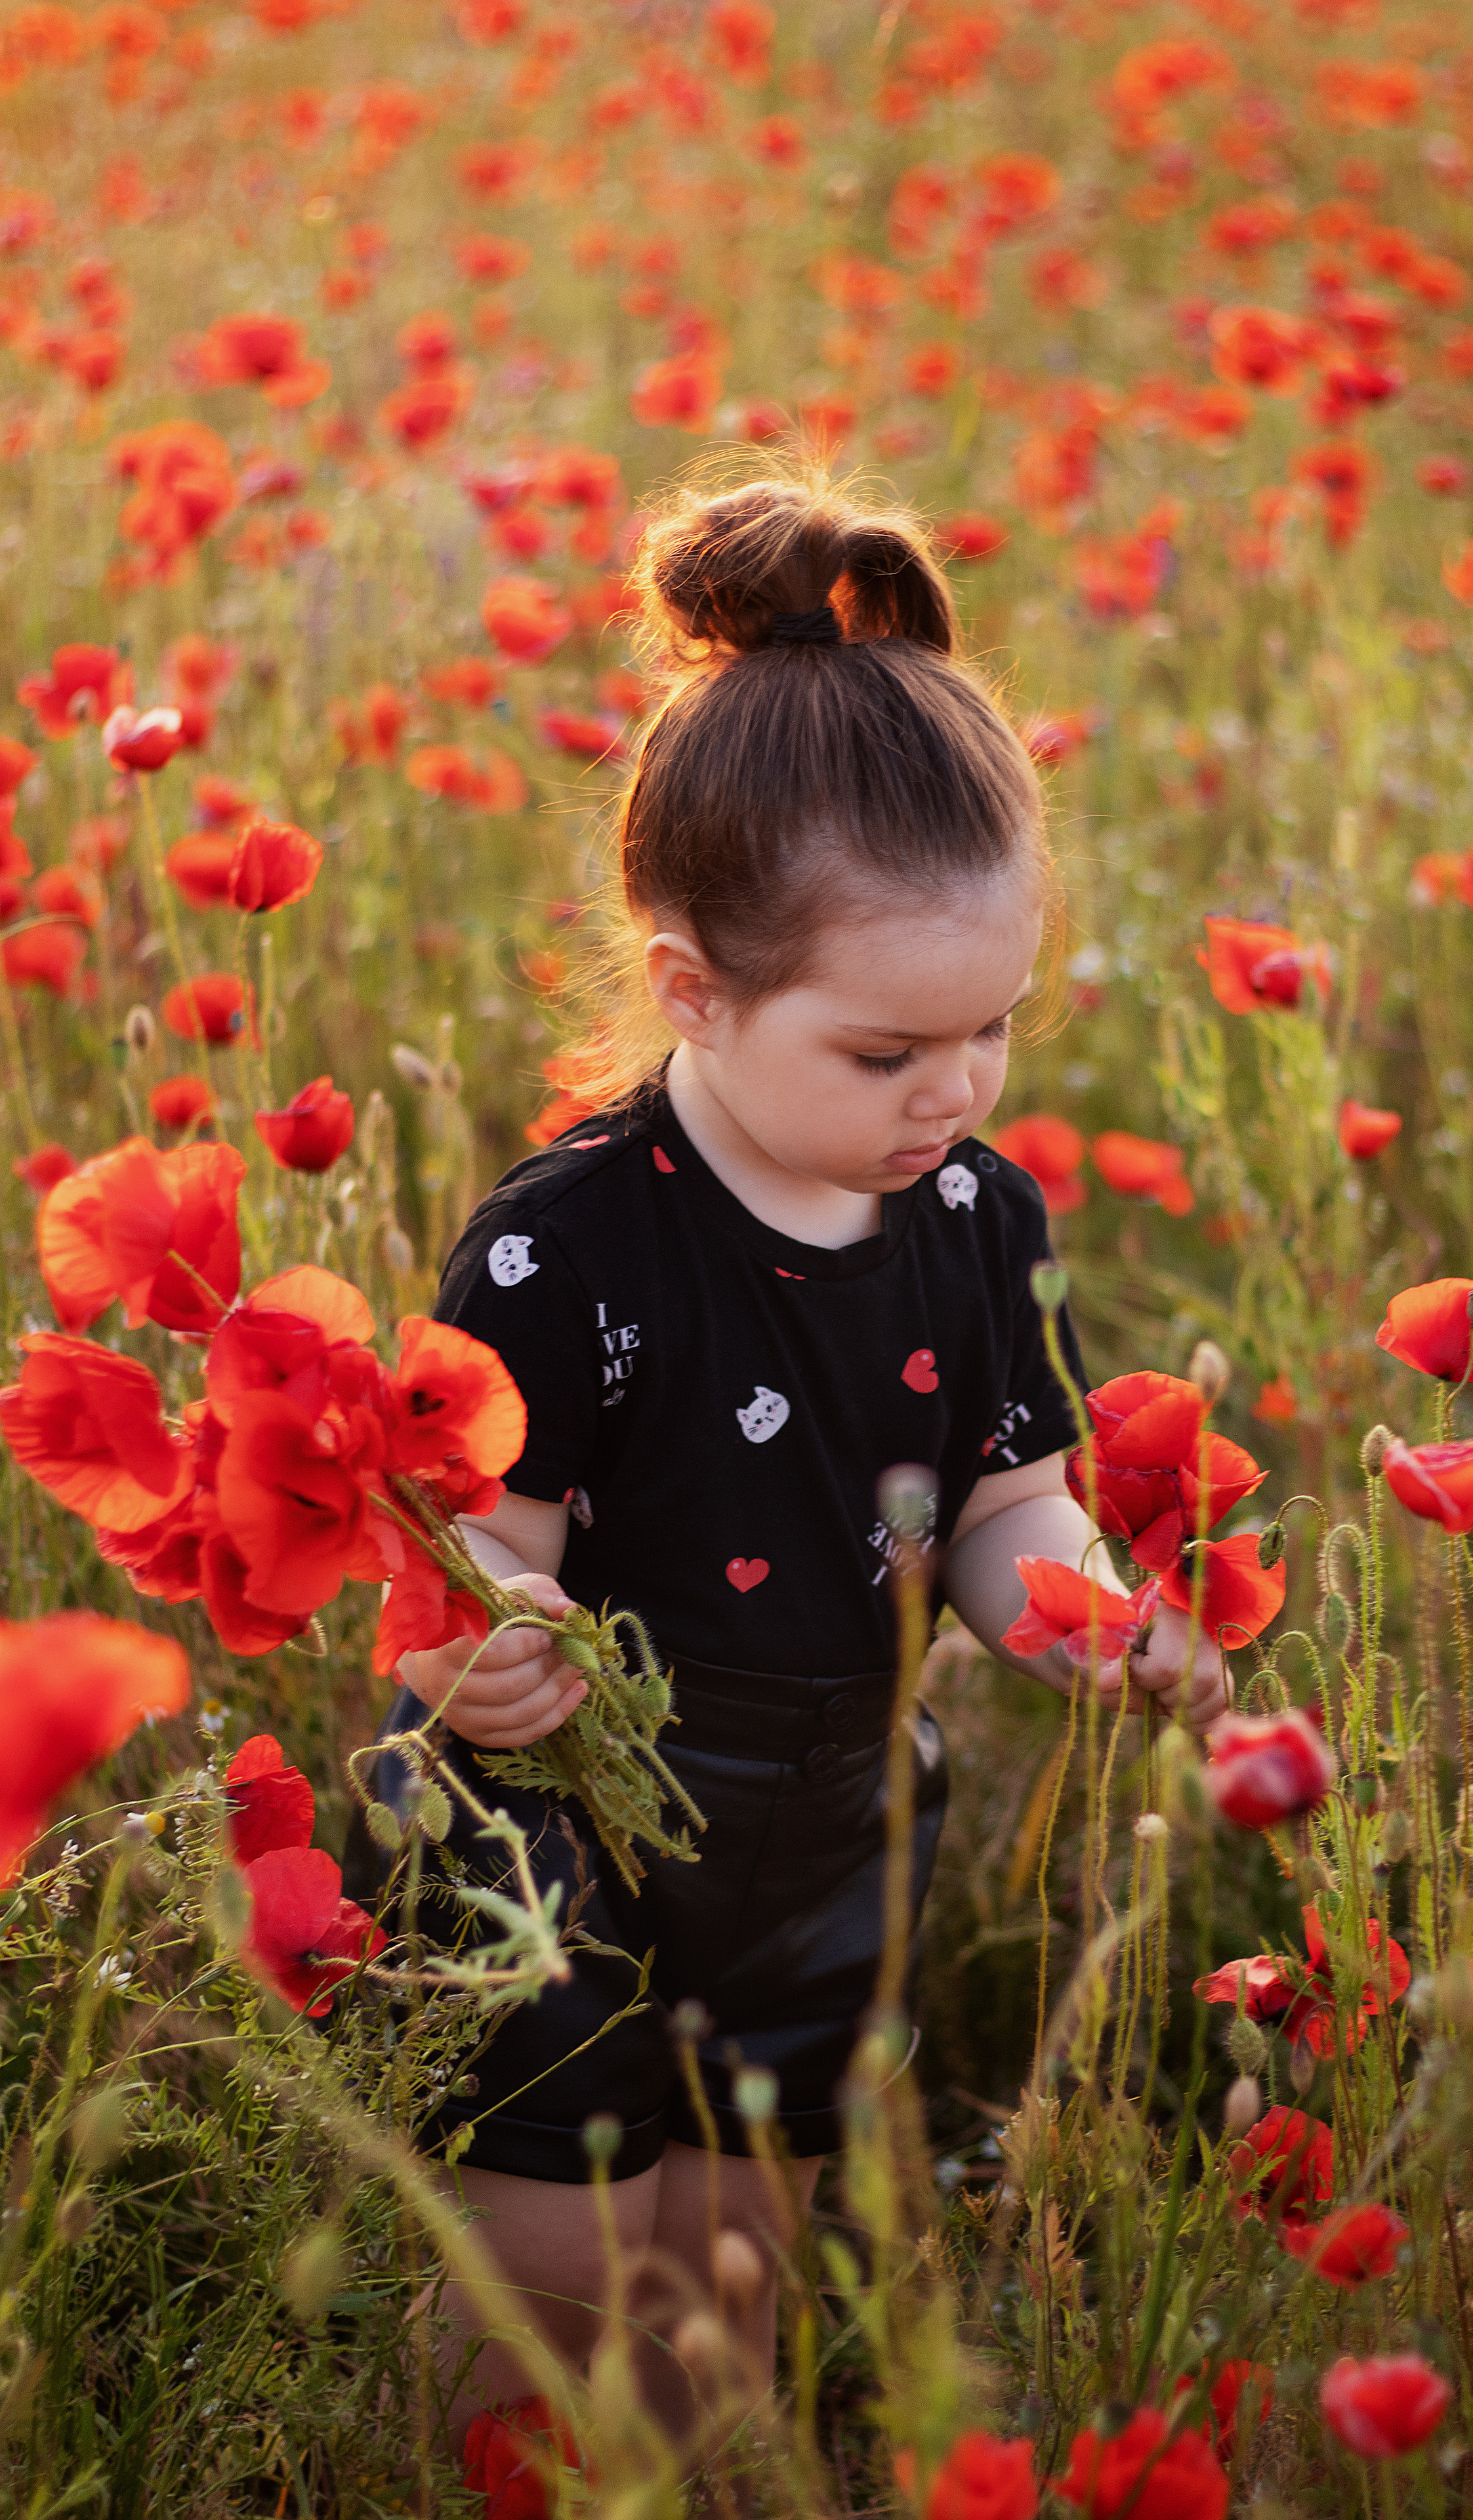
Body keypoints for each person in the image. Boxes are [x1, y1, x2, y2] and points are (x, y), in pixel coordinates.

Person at [344, 467, 1228, 2462]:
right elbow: (464, 1562)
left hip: (829, 1824)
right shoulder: (565, 1243)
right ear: (694, 987)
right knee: (553, 2291)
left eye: (990, 1029)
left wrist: (1094, 1622)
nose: (954, 1093)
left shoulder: (982, 1218)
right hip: (560, 1837)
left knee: (730, 2273)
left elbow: (1012, 1503)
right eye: (884, 1054)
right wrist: (487, 1654)